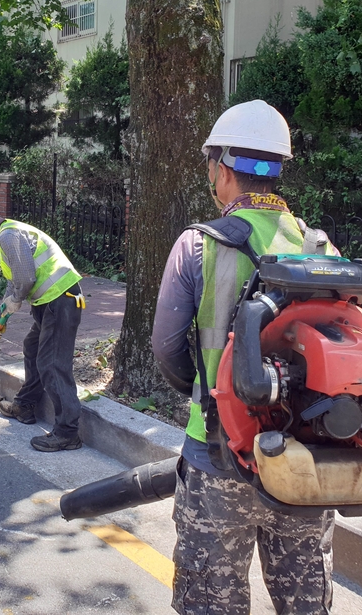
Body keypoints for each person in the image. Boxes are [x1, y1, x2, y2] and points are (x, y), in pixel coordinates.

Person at [150, 99, 337, 615]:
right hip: (305, 457)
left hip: (217, 454)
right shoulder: (321, 247)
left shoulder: (197, 245)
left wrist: (208, 391)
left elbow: (166, 347)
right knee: (304, 600)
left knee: (211, 597)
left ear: (222, 168)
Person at [0, 195, 86, 452]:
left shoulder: (8, 236)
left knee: (52, 364)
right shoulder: (8, 233)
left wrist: (14, 302)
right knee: (32, 348)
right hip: (50, 302)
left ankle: (68, 433)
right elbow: (14, 281)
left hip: (62, 300)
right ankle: (25, 406)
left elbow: (25, 279)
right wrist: (1, 315)